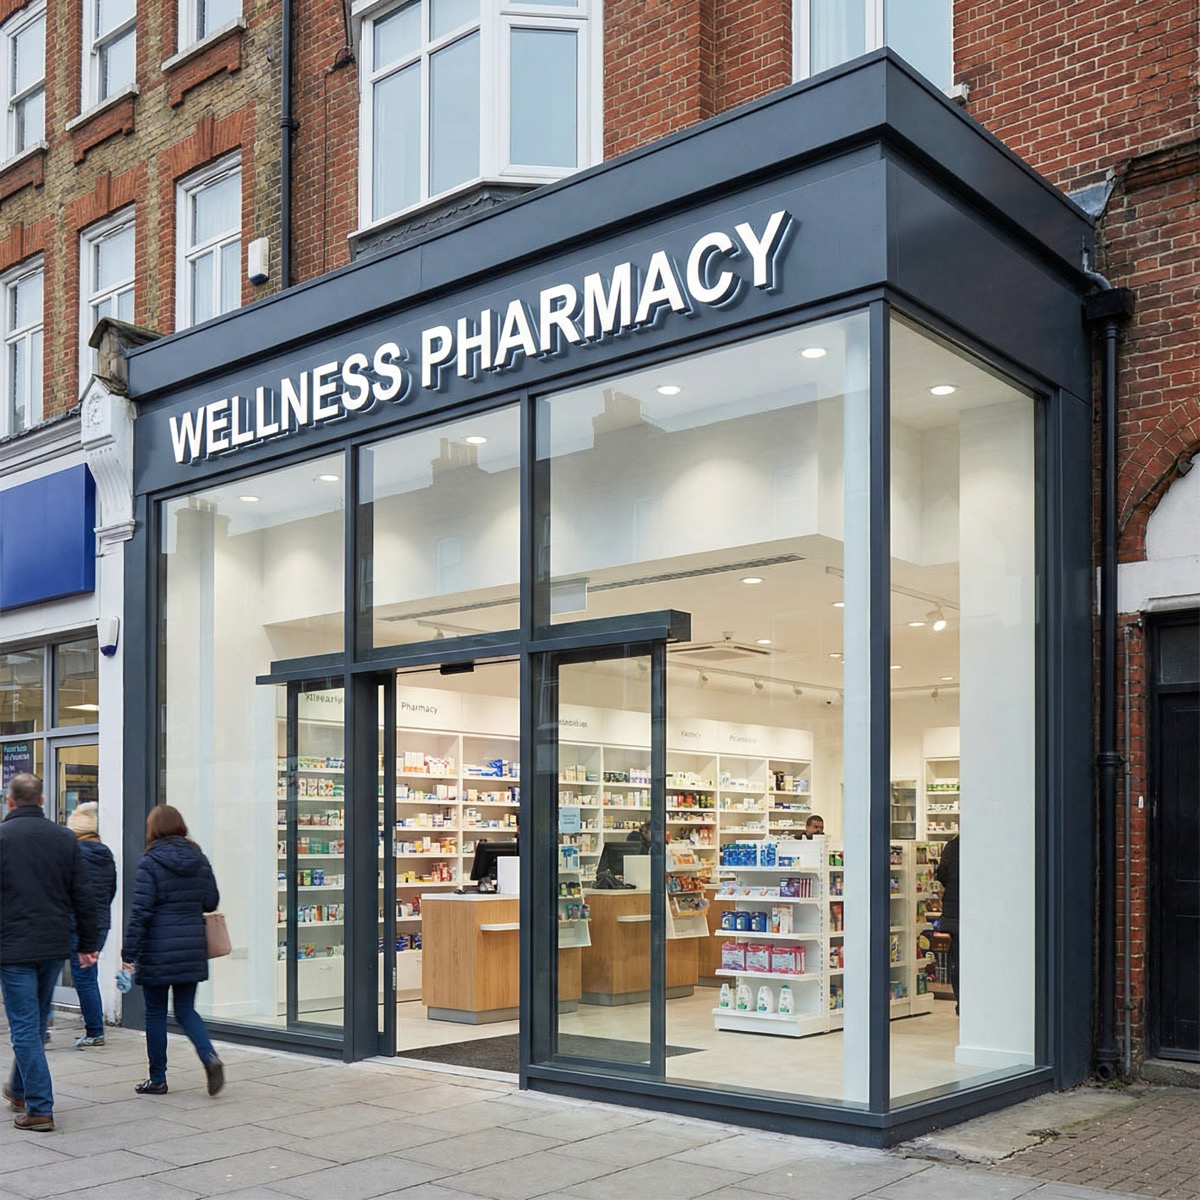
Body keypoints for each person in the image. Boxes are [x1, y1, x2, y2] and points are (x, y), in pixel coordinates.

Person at [0, 773, 99, 1132]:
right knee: (35, 1021)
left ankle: (40, 1107)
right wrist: (88, 944)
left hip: (13, 949)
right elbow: (83, 896)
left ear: (10, 801)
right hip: (53, 946)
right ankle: (18, 1088)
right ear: (42, 801)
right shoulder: (64, 839)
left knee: (26, 1028)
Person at [121, 804, 225, 1097]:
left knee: (155, 1013)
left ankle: (157, 1079)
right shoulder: (199, 858)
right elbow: (210, 901)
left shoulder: (150, 862)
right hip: (190, 946)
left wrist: (128, 954)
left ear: (152, 829)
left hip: (156, 950)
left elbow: (140, 912)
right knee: (185, 1009)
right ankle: (208, 1056)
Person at [66, 802, 118, 1048]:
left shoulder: (74, 855)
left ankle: (95, 1031)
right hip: (101, 923)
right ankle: (94, 1029)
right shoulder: (106, 854)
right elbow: (111, 890)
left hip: (79, 923)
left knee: (83, 978)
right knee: (90, 974)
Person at [935, 833, 960, 1014]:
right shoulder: (982, 845)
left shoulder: (951, 847)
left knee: (956, 963)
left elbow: (941, 874)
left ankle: (961, 1002)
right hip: (972, 915)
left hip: (952, 915)